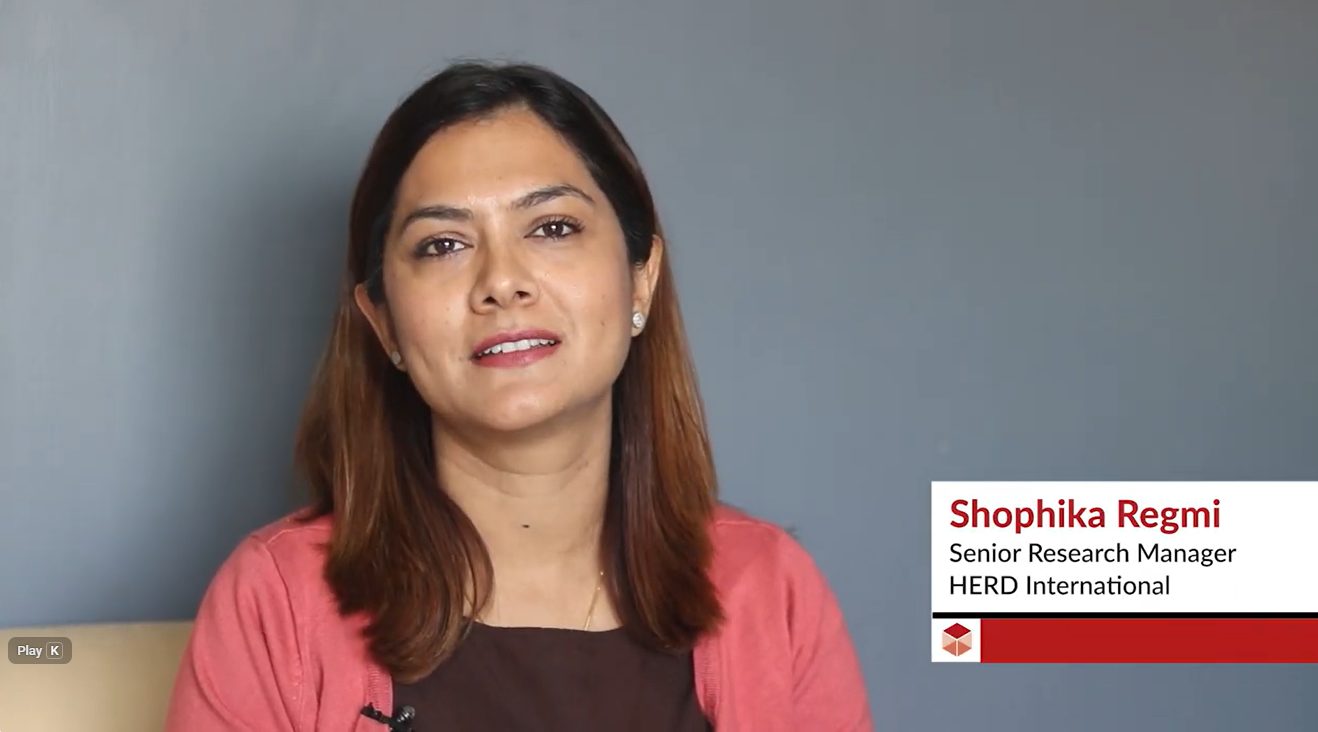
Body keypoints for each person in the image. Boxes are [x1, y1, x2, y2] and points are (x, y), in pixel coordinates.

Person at [165, 60, 873, 731]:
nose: (502, 282)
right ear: (383, 323)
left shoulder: (774, 591)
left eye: (553, 228)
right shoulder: (275, 602)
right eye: (443, 244)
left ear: (642, 280)